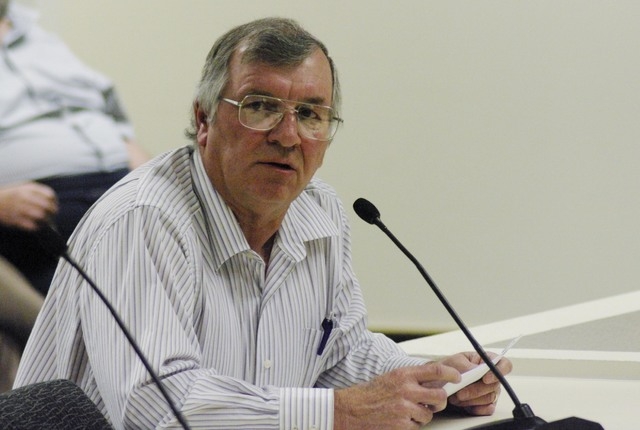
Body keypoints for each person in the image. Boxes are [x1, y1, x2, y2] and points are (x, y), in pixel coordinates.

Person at [15, 17, 511, 429]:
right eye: (261, 107)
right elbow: (158, 408)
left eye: (311, 114)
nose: (289, 136)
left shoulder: (319, 212)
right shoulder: (143, 220)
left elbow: (338, 358)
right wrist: (340, 412)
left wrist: (431, 380)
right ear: (204, 120)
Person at [0, 1, 148, 295]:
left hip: (121, 186)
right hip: (38, 208)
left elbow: (111, 120)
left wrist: (153, 181)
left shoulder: (40, 37)